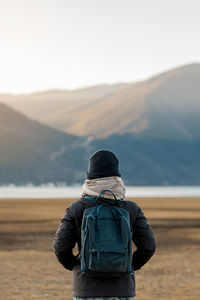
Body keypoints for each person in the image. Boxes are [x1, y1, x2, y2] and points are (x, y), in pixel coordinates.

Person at [53, 149, 156, 300]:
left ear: (89, 178)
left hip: (86, 290)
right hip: (122, 290)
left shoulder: (76, 209)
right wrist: (128, 266)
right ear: (117, 177)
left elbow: (60, 248)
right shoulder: (131, 209)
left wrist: (78, 266)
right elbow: (148, 246)